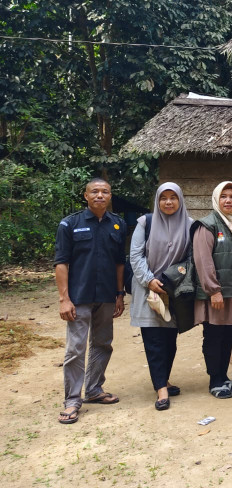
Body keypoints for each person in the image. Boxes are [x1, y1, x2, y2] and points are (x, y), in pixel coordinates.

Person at [54, 178, 126, 424]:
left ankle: (94, 389)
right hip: (79, 297)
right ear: (85, 196)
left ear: (110, 195)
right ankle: (73, 399)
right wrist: (64, 299)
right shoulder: (70, 224)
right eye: (94, 191)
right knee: (76, 348)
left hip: (107, 296)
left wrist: (120, 294)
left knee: (103, 343)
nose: (100, 195)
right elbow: (61, 263)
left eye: (105, 191)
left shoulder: (118, 225)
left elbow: (119, 263)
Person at [129, 182, 192, 410]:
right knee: (154, 340)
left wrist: (173, 279)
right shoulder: (145, 222)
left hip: (173, 290)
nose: (168, 202)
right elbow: (135, 256)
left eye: (172, 197)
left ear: (180, 200)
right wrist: (150, 280)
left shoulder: (190, 225)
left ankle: (163, 379)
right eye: (163, 198)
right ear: (157, 200)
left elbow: (191, 258)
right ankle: (161, 391)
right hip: (149, 291)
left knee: (170, 341)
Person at [193, 181, 232, 399]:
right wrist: (213, 290)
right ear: (216, 199)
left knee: (228, 333)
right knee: (214, 334)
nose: (228, 200)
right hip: (216, 292)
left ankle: (224, 376)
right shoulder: (207, 225)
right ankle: (214, 380)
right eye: (224, 196)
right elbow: (203, 260)